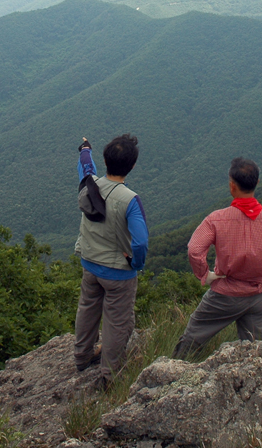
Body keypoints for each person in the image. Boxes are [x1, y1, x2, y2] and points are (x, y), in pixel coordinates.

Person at [173, 157, 262, 359]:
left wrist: (205, 275)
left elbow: (194, 249)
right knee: (258, 354)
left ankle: (174, 371)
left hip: (225, 294)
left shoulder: (216, 219)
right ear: (257, 183)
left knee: (192, 338)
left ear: (231, 186)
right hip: (261, 294)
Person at [73, 134, 148, 386]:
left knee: (87, 308)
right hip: (117, 272)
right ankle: (110, 375)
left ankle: (82, 356)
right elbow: (140, 242)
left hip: (89, 264)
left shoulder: (89, 186)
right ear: (133, 166)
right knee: (117, 322)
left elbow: (86, 166)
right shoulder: (130, 200)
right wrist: (136, 264)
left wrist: (85, 148)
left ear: (105, 161)